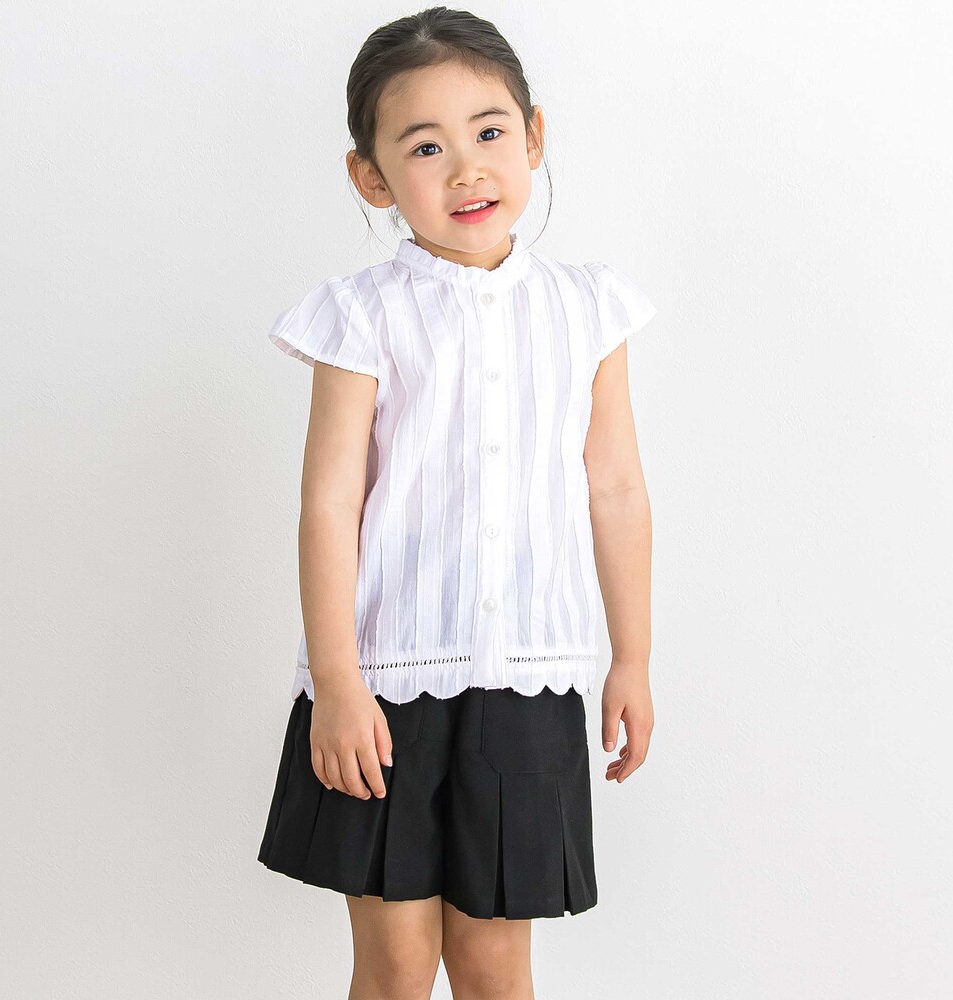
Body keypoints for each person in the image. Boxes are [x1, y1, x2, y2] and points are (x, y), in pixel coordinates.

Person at [257, 7, 658, 998]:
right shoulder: (360, 315)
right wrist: (337, 682)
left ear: (533, 135)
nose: (467, 168)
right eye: (425, 146)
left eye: (488, 131)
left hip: (531, 683)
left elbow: (615, 488)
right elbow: (328, 504)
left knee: (493, 963)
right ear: (372, 177)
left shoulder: (588, 309)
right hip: (383, 684)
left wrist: (632, 658)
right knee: (396, 965)